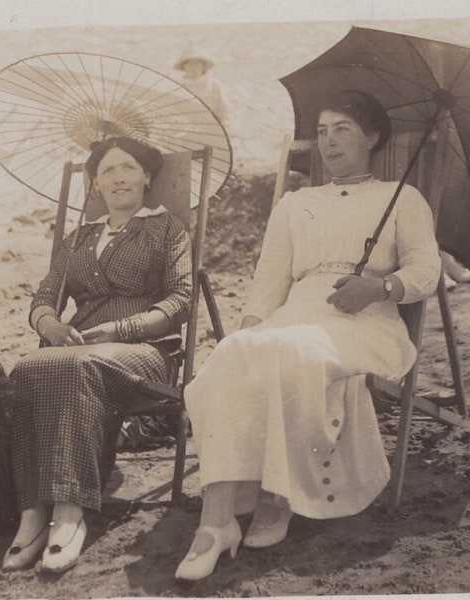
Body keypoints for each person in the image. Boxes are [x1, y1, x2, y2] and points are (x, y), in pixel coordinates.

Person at [175, 90, 442, 581]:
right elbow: (268, 283)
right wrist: (248, 332)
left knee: (294, 351)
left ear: (372, 136)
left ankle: (280, 496)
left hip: (365, 319)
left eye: (342, 128)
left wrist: (380, 285)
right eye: (321, 131)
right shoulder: (297, 203)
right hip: (298, 312)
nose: (328, 141)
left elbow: (428, 269)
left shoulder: (401, 198)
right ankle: (216, 524)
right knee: (236, 353)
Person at [4, 136, 193, 573]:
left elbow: (182, 300)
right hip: (82, 349)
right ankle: (33, 511)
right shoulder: (80, 236)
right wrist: (49, 325)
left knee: (78, 366)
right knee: (26, 367)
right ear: (96, 183)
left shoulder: (167, 229)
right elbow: (45, 296)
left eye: (128, 168)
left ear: (147, 177)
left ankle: (70, 515)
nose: (118, 177)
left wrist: (121, 329)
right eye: (107, 171)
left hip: (145, 349)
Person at [173, 50, 226, 123]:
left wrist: (222, 128)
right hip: (184, 126)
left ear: (203, 67)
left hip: (209, 126)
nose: (193, 67)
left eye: (197, 64)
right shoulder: (177, 86)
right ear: (183, 67)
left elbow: (224, 110)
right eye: (189, 64)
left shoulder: (213, 85)